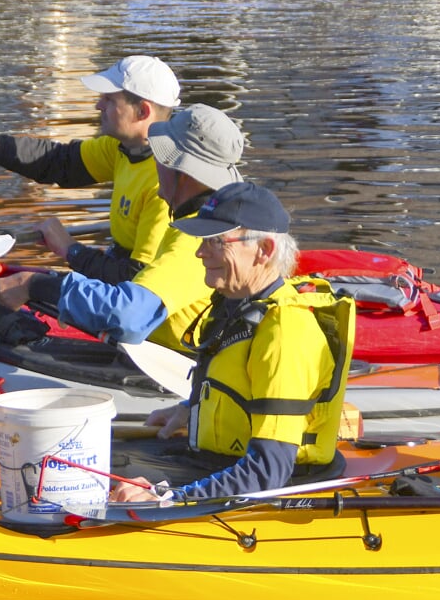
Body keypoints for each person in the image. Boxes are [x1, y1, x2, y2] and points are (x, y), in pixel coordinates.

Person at [108, 181, 355, 502]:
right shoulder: (235, 302)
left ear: (264, 250)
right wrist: (189, 410)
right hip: (214, 459)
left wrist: (169, 499)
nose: (199, 252)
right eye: (201, 240)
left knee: (97, 472)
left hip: (269, 478)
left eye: (215, 242)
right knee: (102, 453)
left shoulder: (286, 330)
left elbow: (270, 469)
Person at [0, 103, 245, 352]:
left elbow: (128, 316)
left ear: (183, 173)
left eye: (160, 157)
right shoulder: (207, 215)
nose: (153, 165)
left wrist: (35, 286)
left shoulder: (199, 240)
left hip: (179, 365)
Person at [0, 56, 180, 283]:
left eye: (109, 100)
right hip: (122, 277)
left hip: (159, 326)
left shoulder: (165, 185)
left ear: (143, 111)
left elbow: (137, 280)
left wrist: (70, 250)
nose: (98, 105)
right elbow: (58, 162)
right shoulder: (123, 148)